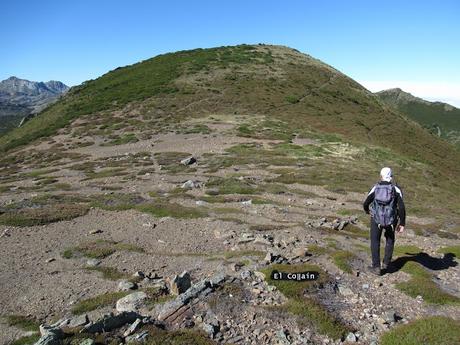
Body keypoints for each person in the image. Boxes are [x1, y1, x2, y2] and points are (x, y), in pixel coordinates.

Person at [363, 167, 405, 275]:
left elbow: (366, 203)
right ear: (391, 176)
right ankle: (386, 263)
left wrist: (368, 211)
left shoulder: (375, 188)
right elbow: (401, 208)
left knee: (375, 241)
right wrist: (402, 223)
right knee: (390, 240)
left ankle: (376, 267)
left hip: (376, 219)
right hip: (391, 220)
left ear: (381, 176)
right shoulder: (396, 190)